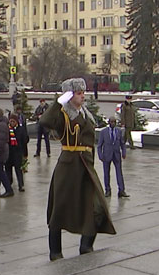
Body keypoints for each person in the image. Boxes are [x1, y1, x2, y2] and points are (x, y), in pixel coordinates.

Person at [39, 78, 116, 261]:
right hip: (68, 166)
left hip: (86, 166)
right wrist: (59, 101)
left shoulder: (85, 114)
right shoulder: (63, 114)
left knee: (97, 207)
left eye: (83, 92)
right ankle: (55, 252)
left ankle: (86, 246)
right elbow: (45, 121)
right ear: (70, 96)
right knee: (59, 210)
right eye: (79, 93)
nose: (83, 96)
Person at [97, 117, 129, 198]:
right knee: (106, 173)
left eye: (114, 122)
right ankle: (107, 190)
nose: (113, 123)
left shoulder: (118, 131)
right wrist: (100, 155)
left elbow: (122, 143)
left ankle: (121, 190)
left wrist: (124, 152)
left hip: (116, 155)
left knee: (119, 173)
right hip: (106, 155)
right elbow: (99, 145)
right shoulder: (103, 132)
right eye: (111, 122)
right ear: (109, 123)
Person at [6, 114, 28, 192]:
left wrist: (25, 154)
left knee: (18, 170)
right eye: (10, 121)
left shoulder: (21, 129)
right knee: (8, 169)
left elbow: (25, 141)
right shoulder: (7, 129)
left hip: (18, 153)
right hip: (9, 153)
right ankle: (9, 184)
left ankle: (21, 185)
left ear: (16, 121)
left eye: (13, 121)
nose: (12, 123)